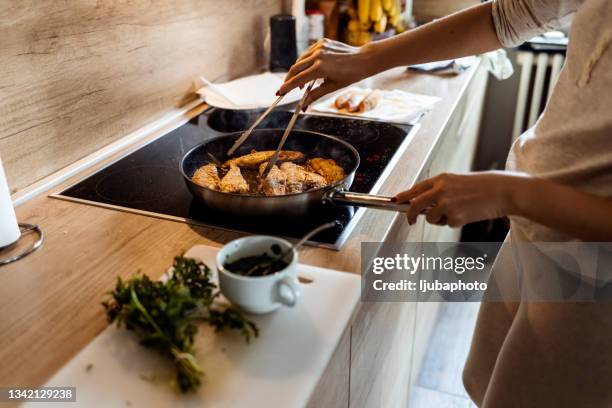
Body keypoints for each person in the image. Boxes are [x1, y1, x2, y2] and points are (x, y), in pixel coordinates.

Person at [278, 0, 612, 406]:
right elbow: (507, 16)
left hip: (595, 271)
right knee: (487, 384)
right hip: (534, 224)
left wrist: (512, 192)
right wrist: (366, 58)